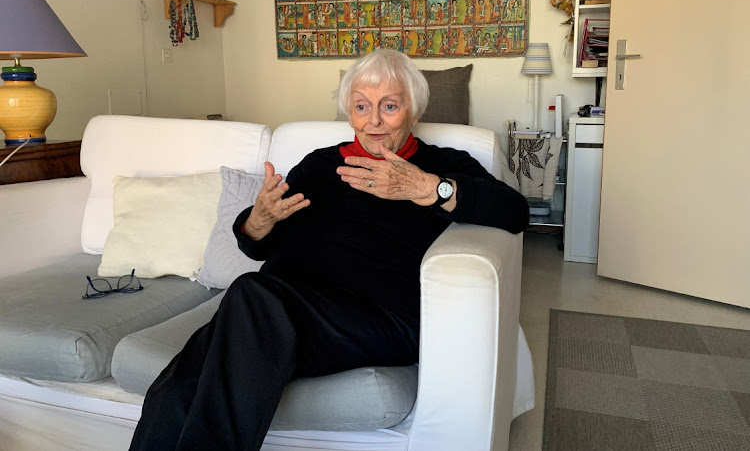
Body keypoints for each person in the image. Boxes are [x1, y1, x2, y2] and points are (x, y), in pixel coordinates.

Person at [129, 49, 529, 450]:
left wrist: (428, 188)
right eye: (361, 106)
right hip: (280, 310)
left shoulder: (440, 164)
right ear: (349, 111)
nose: (373, 120)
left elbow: (515, 212)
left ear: (413, 109)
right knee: (179, 380)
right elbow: (256, 246)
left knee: (248, 298)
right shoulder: (319, 166)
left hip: (376, 318)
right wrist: (260, 219)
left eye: (388, 106)